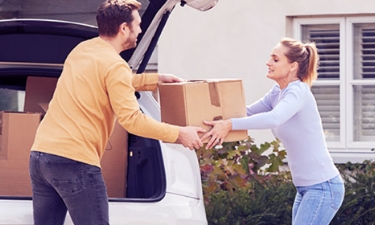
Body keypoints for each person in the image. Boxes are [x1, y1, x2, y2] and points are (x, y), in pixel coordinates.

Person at [28, 0, 206, 224]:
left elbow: (109, 79)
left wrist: (155, 80)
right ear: (124, 28)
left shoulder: (83, 49)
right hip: (74, 162)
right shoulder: (115, 65)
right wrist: (180, 134)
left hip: (41, 156)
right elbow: (133, 121)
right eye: (138, 25)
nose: (140, 30)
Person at [201, 37, 345, 225]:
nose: (268, 63)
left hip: (323, 188)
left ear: (292, 66)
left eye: (275, 59)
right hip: (305, 188)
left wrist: (229, 124)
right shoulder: (277, 92)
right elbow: (245, 112)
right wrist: (209, 121)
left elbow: (274, 117)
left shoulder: (298, 92)